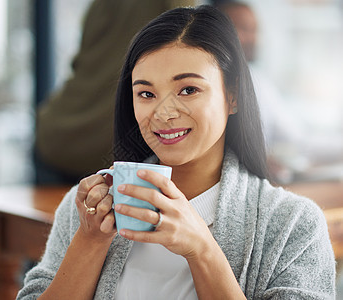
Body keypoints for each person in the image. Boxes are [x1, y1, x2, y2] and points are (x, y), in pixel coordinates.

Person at [17, 5, 335, 299]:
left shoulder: (294, 224)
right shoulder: (86, 211)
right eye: (146, 93)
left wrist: (201, 249)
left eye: (188, 89)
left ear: (233, 95)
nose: (164, 112)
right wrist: (89, 242)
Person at [35, 0, 196, 185]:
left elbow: (82, 60)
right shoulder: (179, 11)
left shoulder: (102, 5)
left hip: (57, 131)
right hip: (107, 148)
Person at [217, 1, 343, 183]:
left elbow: (298, 141)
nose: (254, 39)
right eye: (243, 29)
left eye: (255, 30)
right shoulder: (204, 82)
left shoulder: (258, 80)